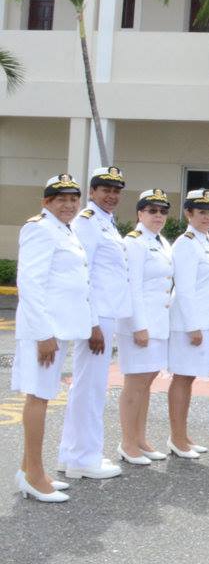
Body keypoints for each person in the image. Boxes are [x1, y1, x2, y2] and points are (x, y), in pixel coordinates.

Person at [12, 174, 90, 502]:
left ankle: (31, 471)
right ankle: (34, 476)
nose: (69, 205)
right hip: (43, 332)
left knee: (41, 396)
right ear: (47, 202)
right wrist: (45, 334)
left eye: (74, 199)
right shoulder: (39, 229)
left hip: (56, 330)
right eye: (61, 199)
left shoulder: (64, 230)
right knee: (39, 398)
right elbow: (29, 284)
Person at [59, 166, 129, 480]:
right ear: (92, 192)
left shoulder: (105, 223)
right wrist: (91, 324)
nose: (111, 196)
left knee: (88, 386)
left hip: (105, 314)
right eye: (105, 190)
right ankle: (84, 457)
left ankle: (71, 454)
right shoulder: (87, 222)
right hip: (96, 317)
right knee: (90, 387)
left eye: (116, 191)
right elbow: (82, 271)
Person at [116, 189, 174, 466]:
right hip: (141, 325)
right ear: (140, 213)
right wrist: (139, 326)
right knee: (135, 383)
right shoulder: (135, 242)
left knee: (147, 382)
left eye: (162, 211)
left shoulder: (161, 241)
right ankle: (127, 442)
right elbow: (132, 287)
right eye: (152, 211)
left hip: (158, 324)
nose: (158, 216)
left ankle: (140, 438)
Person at [167, 189, 209, 459]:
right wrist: (192, 326)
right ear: (188, 213)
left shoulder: (208, 241)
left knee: (188, 378)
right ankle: (177, 439)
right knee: (182, 377)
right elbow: (185, 288)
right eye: (201, 212)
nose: (207, 217)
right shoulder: (186, 243)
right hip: (190, 323)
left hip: (205, 320)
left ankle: (183, 435)